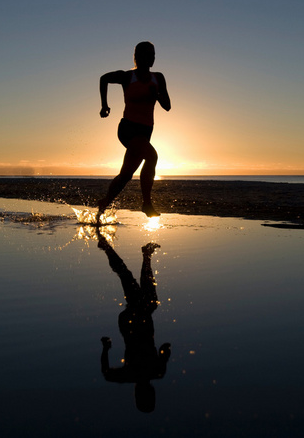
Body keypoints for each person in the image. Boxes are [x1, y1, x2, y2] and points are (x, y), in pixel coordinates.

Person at [96, 229, 171, 413]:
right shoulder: (144, 373)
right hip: (133, 321)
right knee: (140, 291)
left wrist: (106, 348)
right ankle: (144, 254)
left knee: (133, 283)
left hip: (134, 321)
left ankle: (114, 248)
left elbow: (165, 349)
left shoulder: (156, 372)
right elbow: (106, 374)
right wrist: (105, 348)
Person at [98, 41, 171, 218]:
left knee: (125, 176)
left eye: (154, 54)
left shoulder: (158, 78)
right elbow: (104, 78)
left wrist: (157, 94)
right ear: (138, 57)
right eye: (149, 54)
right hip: (128, 129)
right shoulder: (127, 77)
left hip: (145, 132)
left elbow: (167, 106)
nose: (152, 58)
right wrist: (104, 105)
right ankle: (146, 204)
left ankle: (103, 204)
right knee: (152, 156)